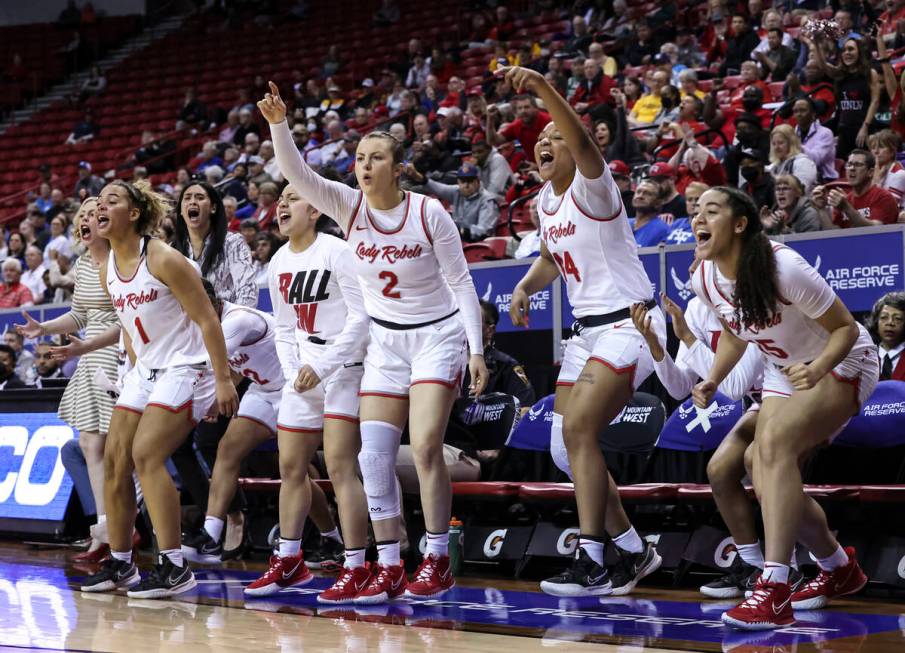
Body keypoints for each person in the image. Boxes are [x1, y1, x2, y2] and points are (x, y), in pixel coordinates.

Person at [261, 81, 487, 602]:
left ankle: (435, 558)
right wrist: (279, 124)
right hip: (385, 345)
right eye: (360, 157)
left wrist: (475, 349)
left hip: (436, 335)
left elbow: (461, 283)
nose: (364, 166)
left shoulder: (429, 212)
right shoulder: (347, 206)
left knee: (427, 444)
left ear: (397, 165)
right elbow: (297, 174)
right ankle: (385, 564)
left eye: (376, 157)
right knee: (372, 457)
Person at [502, 65, 663, 598]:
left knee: (579, 433)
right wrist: (527, 286)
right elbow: (552, 256)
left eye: (555, 138)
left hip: (629, 322)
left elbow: (573, 130)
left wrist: (543, 88)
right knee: (564, 450)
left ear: (575, 147)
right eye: (540, 141)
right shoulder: (545, 203)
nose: (545, 144)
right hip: (585, 334)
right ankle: (636, 552)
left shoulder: (596, 189)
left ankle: (592, 557)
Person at [690, 186, 877, 629]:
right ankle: (837, 567)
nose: (698, 218)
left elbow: (846, 330)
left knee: (771, 445)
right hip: (783, 369)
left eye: (710, 211)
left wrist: (816, 372)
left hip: (841, 360)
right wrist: (714, 377)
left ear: (739, 224)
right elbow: (736, 333)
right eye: (695, 210)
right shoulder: (704, 275)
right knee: (758, 461)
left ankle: (774, 587)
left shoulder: (784, 268)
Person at [79, 180, 238, 598]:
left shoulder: (165, 258)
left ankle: (174, 565)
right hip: (146, 371)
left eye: (111, 200)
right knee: (114, 462)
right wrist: (131, 371)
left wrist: (223, 379)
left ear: (133, 214)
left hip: (187, 368)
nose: (100, 206)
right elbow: (132, 328)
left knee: (146, 454)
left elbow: (208, 320)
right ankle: (121, 562)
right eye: (98, 202)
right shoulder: (107, 267)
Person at [241, 185, 370, 601]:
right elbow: (283, 328)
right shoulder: (278, 261)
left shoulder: (337, 251)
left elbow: (361, 318)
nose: (281, 203)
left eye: (292, 197)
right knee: (291, 466)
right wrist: (295, 370)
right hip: (303, 372)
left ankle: (356, 566)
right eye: (278, 198)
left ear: (315, 209)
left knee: (339, 466)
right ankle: (291, 560)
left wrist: (323, 366)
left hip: (344, 369)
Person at [182, 278, 342, 568]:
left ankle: (331, 538)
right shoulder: (206, 325)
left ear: (211, 302)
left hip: (295, 389)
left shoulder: (237, 320)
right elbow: (236, 368)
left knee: (294, 471)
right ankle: (211, 536)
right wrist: (216, 399)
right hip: (264, 389)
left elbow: (207, 367)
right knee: (228, 449)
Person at [16, 198, 120, 562]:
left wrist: (87, 346)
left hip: (120, 351)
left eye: (95, 213)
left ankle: (119, 531)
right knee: (90, 446)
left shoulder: (124, 258)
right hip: (89, 353)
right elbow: (78, 315)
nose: (87, 219)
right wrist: (43, 327)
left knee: (111, 450)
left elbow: (131, 316)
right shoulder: (82, 264)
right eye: (83, 215)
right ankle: (107, 531)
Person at [807, 35, 879, 159]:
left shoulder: (869, 73)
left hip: (863, 130)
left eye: (851, 49)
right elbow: (823, 65)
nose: (847, 53)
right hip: (844, 129)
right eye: (844, 50)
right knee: (843, 165)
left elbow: (875, 100)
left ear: (860, 52)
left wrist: (865, 127)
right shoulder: (840, 73)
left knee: (864, 164)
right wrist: (817, 44)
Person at [407, 163, 500, 242]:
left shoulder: (487, 200)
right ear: (458, 182)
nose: (466, 185)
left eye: (470, 181)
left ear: (478, 182)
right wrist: (418, 176)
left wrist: (460, 230)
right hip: (458, 240)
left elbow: (484, 231)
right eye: (463, 181)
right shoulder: (457, 191)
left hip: (481, 244)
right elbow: (437, 188)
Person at [812, 150, 899, 228]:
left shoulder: (883, 197)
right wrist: (821, 209)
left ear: (870, 172)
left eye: (858, 165)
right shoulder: (844, 200)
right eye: (849, 165)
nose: (852, 168)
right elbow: (834, 235)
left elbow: (875, 231)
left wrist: (846, 208)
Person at [766, 125, 818, 194]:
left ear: (791, 143)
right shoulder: (774, 165)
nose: (776, 147)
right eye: (774, 144)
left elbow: (801, 191)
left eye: (780, 143)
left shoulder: (803, 163)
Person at [867, 292, 905, 381]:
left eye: (898, 318)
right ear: (876, 322)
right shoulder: (864, 359)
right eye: (884, 317)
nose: (890, 323)